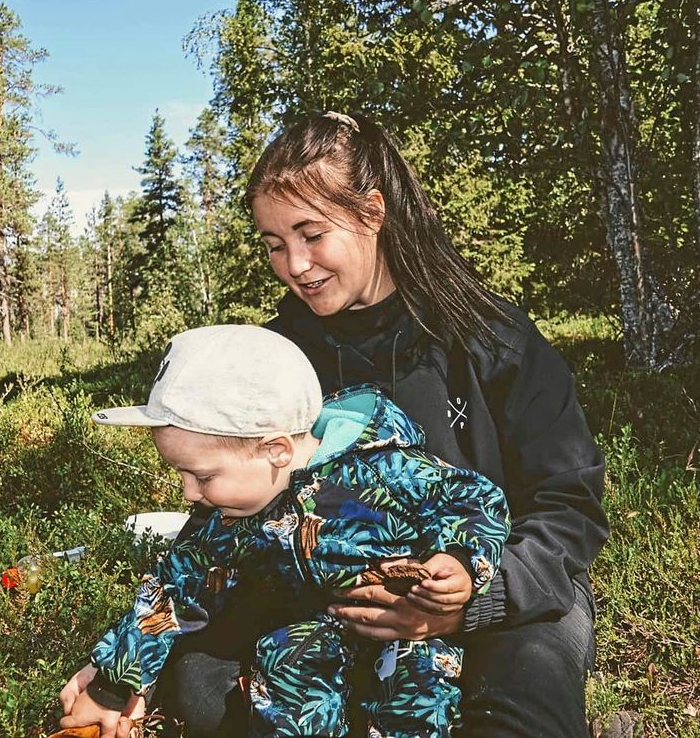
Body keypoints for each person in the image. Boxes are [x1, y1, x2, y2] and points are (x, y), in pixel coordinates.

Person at [165, 111, 610, 737]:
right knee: (201, 688)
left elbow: (569, 506)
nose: (295, 265)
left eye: (311, 234)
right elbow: (226, 506)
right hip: (327, 601)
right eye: (274, 244)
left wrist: (471, 597)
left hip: (502, 598)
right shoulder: (275, 360)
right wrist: (120, 673)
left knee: (525, 694)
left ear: (372, 212)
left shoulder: (493, 338)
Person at [56, 324, 510, 738]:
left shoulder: (384, 469)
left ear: (275, 450)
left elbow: (475, 499)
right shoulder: (231, 516)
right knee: (283, 656)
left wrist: (461, 561)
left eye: (202, 476)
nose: (189, 493)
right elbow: (172, 591)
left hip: (402, 629)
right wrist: (110, 687)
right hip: (314, 636)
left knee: (415, 684)